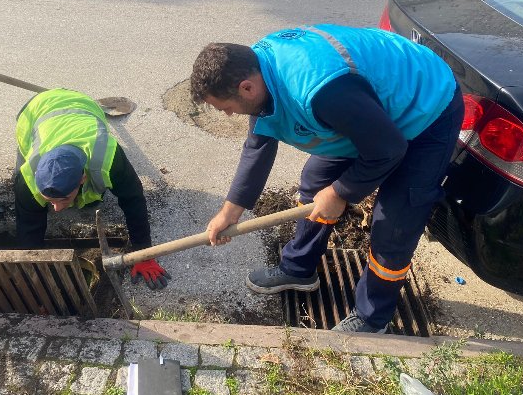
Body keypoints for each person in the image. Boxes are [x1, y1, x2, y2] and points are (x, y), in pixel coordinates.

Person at [190, 24, 463, 332]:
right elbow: (258, 144)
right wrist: (230, 212)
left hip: (425, 107)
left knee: (394, 222)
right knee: (316, 182)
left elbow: (389, 149)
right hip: (366, 111)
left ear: (246, 88)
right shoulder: (256, 67)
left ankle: (372, 319)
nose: (227, 115)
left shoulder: (319, 90)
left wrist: (342, 193)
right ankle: (298, 269)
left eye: (226, 108)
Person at [14, 88, 170, 290]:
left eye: (62, 199)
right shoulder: (27, 179)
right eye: (50, 200)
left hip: (83, 105)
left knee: (96, 196)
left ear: (82, 178)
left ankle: (83, 196)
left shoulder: (108, 158)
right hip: (34, 111)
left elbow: (133, 199)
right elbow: (28, 232)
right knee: (24, 199)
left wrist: (143, 252)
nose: (57, 209)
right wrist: (37, 282)